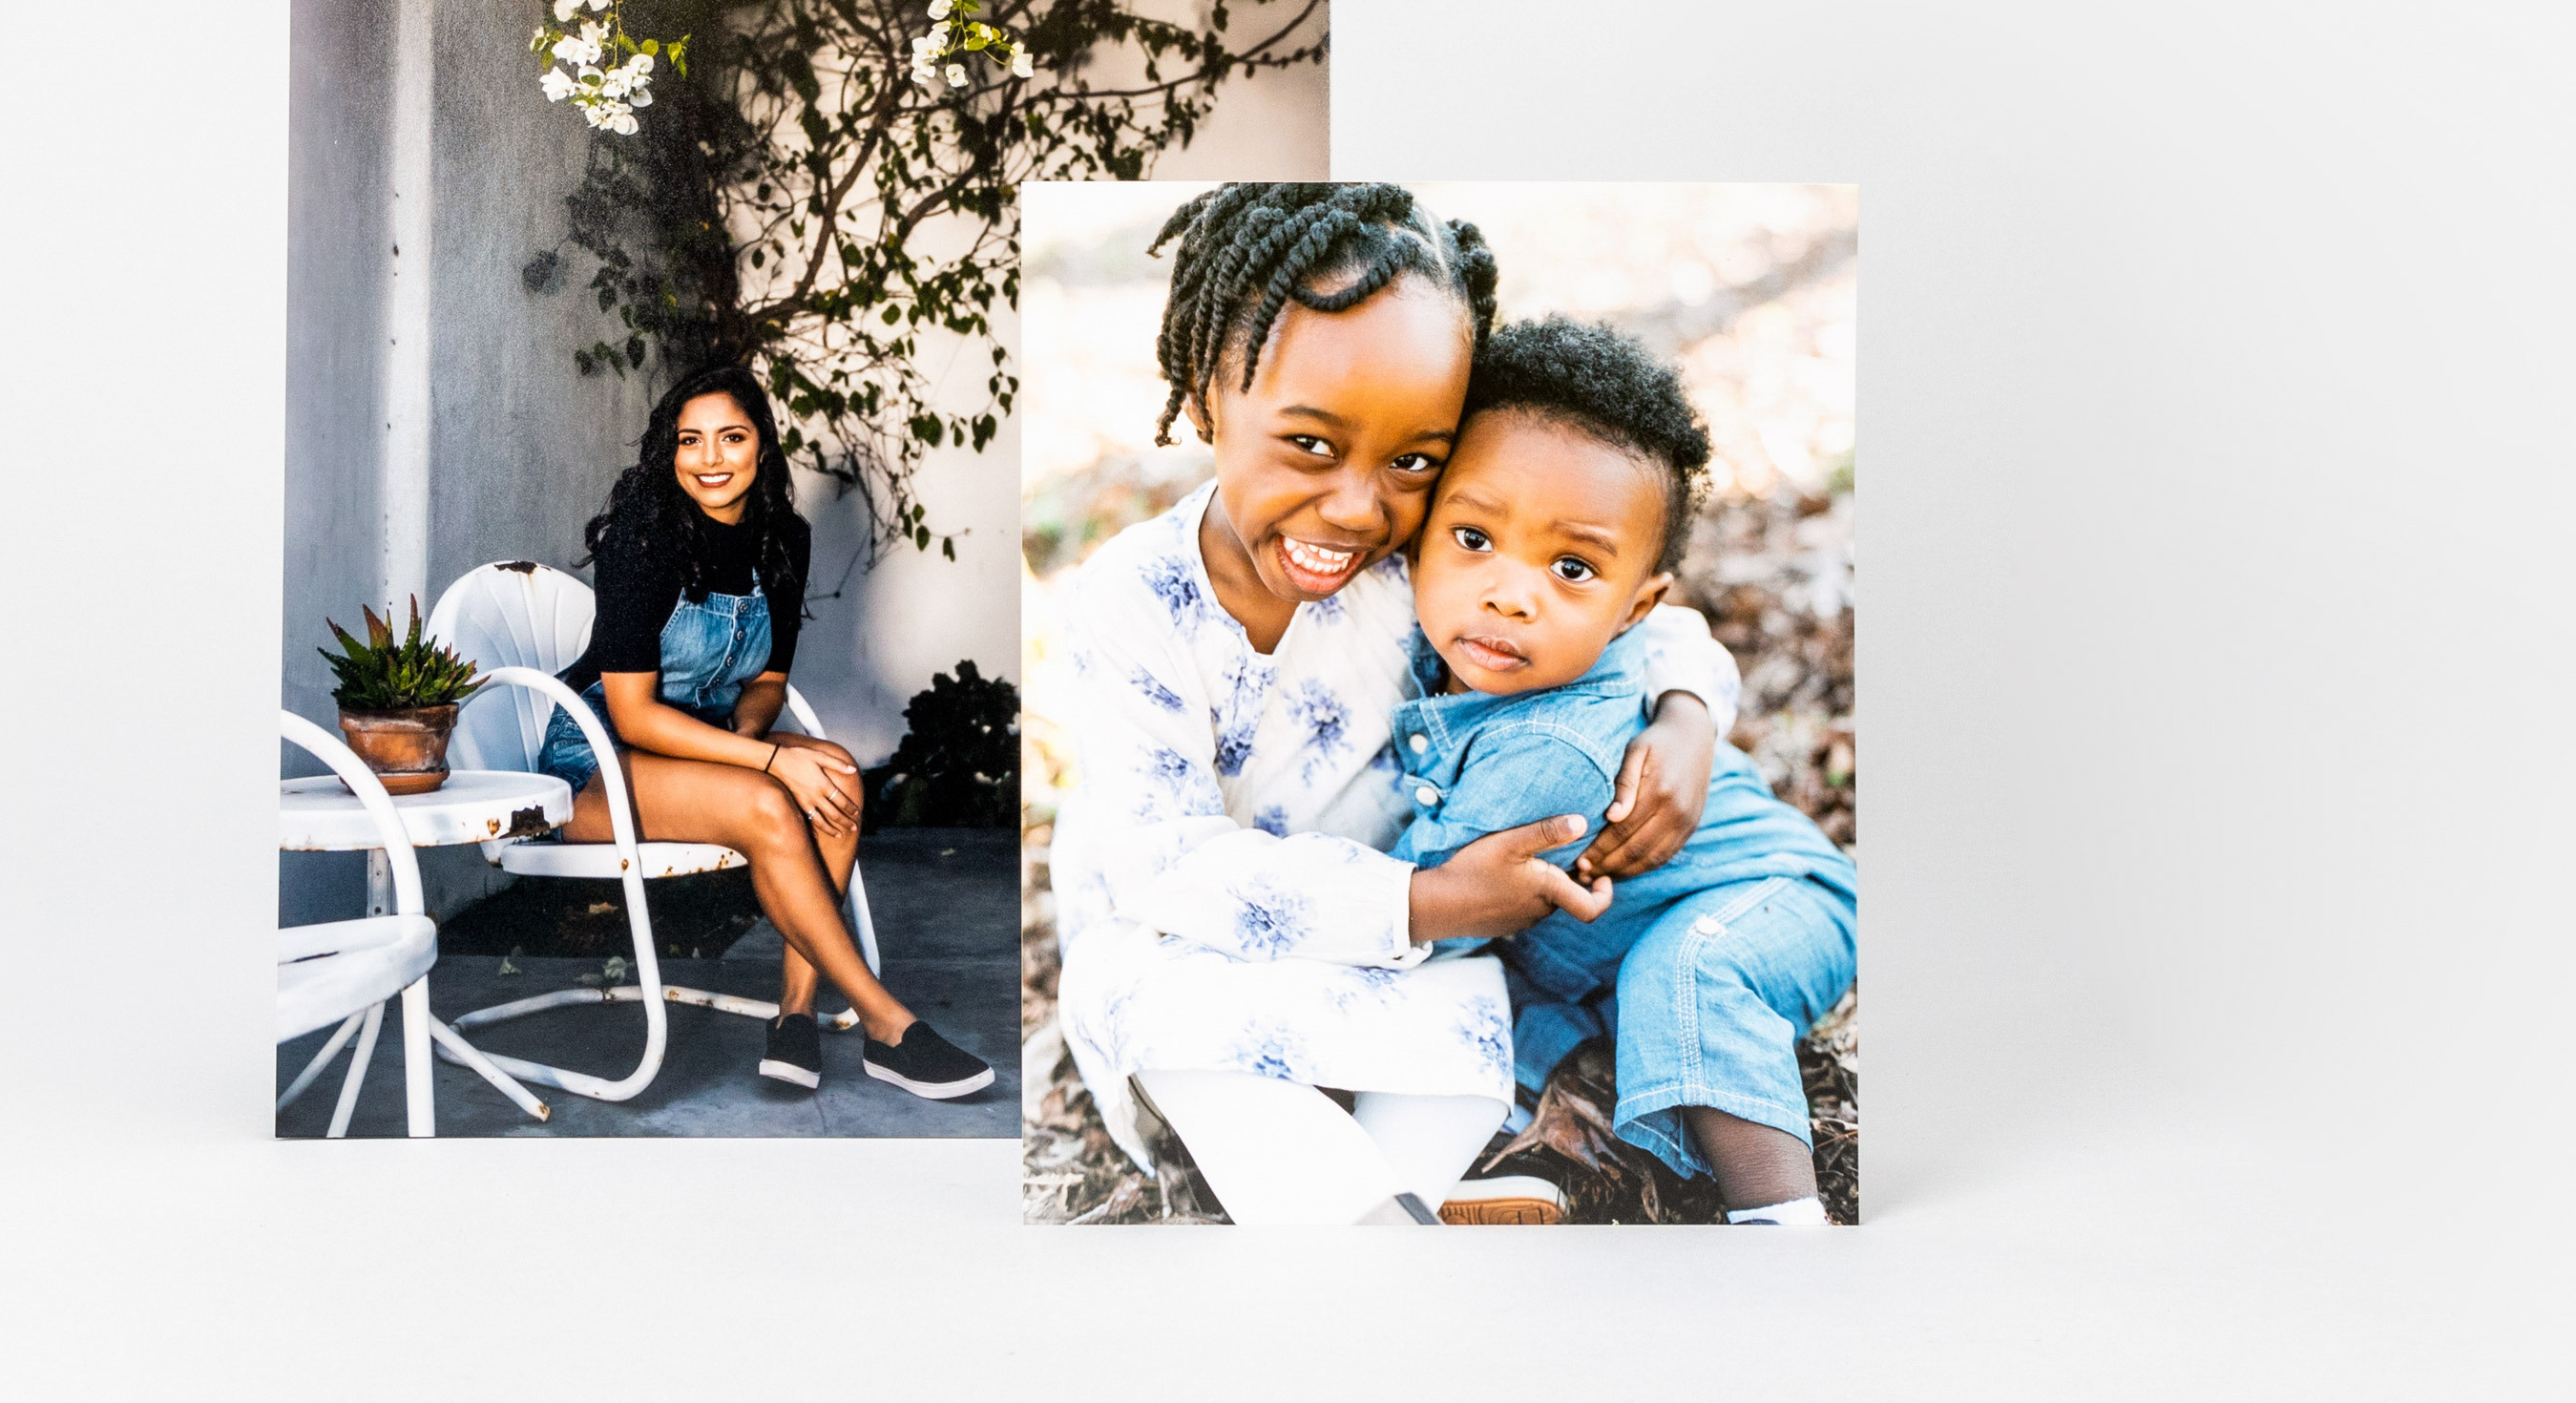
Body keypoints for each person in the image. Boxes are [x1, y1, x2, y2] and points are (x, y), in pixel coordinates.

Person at [1039, 183, 1742, 1224]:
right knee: (1171, 1023)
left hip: (1398, 949)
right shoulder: (1133, 598)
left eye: (1412, 460)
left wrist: (1687, 710)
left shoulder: (1407, 556)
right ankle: (1371, 1231)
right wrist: (1428, 903)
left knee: (1460, 1028)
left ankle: (1396, 1200)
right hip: (1188, 940)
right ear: (1204, 399)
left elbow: (1618, 612)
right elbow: (1155, 862)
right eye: (1311, 446)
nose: (1359, 504)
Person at [1390, 314, 1855, 1224]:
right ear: (1419, 535)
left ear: (1636, 607)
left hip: (1772, 899)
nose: (1510, 592)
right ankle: (1529, 1153)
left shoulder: (1554, 751)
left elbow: (1426, 910)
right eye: (1475, 538)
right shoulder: (1448, 643)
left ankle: (1782, 1226)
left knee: (1684, 976)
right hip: (1598, 939)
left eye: (1570, 566)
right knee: (1516, 997)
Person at [536, 359, 992, 1099]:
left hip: (698, 742)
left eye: (731, 437)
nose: (710, 459)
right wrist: (763, 763)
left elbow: (768, 680)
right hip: (593, 764)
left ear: (763, 446)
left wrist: (753, 740)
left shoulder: (782, 538)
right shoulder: (640, 543)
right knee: (770, 799)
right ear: (669, 451)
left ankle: (795, 1016)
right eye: (691, 440)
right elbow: (634, 714)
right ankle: (885, 1023)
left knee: (837, 774)